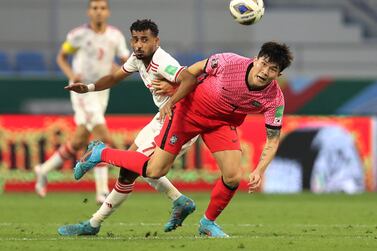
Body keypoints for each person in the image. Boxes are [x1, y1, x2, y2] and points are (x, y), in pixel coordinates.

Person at [67, 41, 293, 237]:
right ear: (255, 59)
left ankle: (207, 224)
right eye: (263, 63)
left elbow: (272, 140)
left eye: (272, 69)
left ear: (278, 75)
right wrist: (173, 87)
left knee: (233, 177)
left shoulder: (274, 99)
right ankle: (101, 153)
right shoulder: (227, 61)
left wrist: (259, 170)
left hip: (221, 124)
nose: (265, 71)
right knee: (155, 171)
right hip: (188, 112)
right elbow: (191, 71)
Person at [57, 19, 198, 236]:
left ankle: (100, 155)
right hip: (162, 119)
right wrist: (89, 87)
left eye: (145, 40)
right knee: (129, 169)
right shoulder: (137, 58)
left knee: (140, 167)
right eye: (135, 39)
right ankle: (179, 201)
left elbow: (189, 80)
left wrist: (171, 99)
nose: (138, 45)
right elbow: (114, 77)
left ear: (156, 41)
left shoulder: (162, 61)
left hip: (179, 121)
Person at [34, 0, 130, 203]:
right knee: (103, 135)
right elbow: (61, 57)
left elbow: (124, 62)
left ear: (108, 12)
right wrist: (72, 74)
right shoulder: (78, 35)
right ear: (89, 12)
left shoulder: (116, 36)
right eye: (95, 8)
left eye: (102, 8)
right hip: (82, 90)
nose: (99, 12)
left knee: (79, 140)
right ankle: (102, 191)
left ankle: (43, 170)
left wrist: (117, 72)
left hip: (102, 90)